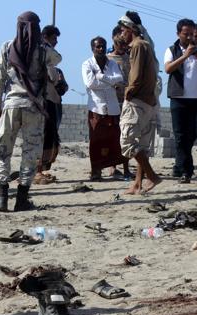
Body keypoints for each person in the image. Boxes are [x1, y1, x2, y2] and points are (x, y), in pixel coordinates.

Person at [0, 11, 62, 212]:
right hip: (33, 107)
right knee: (30, 152)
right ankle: (22, 197)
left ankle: (1, 196)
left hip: (11, 105)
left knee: (3, 149)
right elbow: (57, 59)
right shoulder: (43, 49)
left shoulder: (7, 47)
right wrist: (42, 43)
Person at [164, 19, 197, 184]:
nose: (189, 37)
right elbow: (168, 69)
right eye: (185, 34)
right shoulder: (171, 50)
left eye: (191, 34)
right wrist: (185, 56)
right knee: (182, 138)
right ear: (178, 33)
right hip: (179, 101)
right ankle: (186, 171)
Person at [118, 16, 161, 194]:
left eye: (123, 30)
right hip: (149, 102)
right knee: (142, 145)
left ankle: (152, 176)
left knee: (127, 143)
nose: (121, 34)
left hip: (137, 102)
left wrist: (128, 93)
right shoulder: (147, 45)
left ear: (131, 29)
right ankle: (137, 184)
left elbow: (135, 77)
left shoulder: (137, 46)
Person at [82, 36, 128, 181]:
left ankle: (114, 169)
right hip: (96, 108)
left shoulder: (112, 63)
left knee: (114, 140)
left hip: (113, 108)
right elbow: (90, 83)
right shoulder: (87, 64)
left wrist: (100, 76)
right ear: (92, 48)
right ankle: (96, 171)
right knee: (96, 141)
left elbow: (119, 78)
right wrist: (110, 82)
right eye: (98, 47)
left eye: (103, 46)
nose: (101, 49)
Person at [34, 25, 67, 184]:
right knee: (41, 136)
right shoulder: (37, 60)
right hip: (41, 103)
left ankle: (41, 169)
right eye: (54, 39)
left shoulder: (55, 67)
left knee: (50, 138)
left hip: (53, 103)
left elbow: (61, 86)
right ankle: (37, 170)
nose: (56, 43)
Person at [107, 28, 133, 179]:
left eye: (124, 45)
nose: (122, 48)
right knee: (113, 135)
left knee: (125, 135)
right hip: (112, 101)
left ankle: (126, 167)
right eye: (119, 45)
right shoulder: (108, 59)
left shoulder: (129, 59)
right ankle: (112, 167)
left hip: (126, 100)